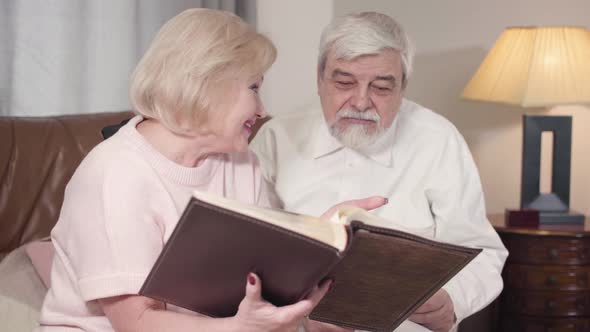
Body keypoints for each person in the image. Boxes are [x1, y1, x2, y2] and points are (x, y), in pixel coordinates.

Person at [35, 8, 385, 332]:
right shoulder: (114, 173)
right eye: (254, 87)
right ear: (207, 84)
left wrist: (319, 239)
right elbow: (136, 322)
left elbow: (261, 274)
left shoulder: (239, 161)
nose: (262, 109)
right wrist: (238, 329)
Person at [251, 11, 508, 332]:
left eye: (381, 88)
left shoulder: (438, 139)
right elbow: (251, 250)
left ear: (403, 87)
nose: (360, 101)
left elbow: (481, 251)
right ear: (319, 80)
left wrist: (452, 300)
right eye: (344, 82)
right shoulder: (277, 137)